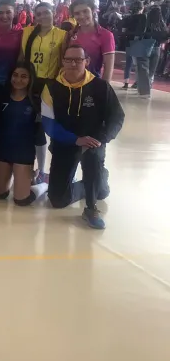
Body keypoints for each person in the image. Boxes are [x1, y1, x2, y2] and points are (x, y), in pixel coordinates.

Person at [41, 45, 124, 229]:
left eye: (78, 60)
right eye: (69, 59)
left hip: (93, 143)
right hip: (65, 143)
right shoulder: (51, 87)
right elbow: (48, 122)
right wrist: (74, 139)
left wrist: (101, 139)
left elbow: (117, 117)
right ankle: (91, 184)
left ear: (87, 61)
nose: (73, 64)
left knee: (99, 188)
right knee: (57, 200)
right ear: (62, 61)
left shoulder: (101, 86)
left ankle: (91, 207)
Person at [21, 2, 66, 184]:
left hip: (48, 86)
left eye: (46, 12)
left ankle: (41, 170)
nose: (42, 17)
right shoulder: (27, 32)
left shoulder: (62, 35)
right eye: (38, 14)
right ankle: (25, 165)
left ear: (54, 13)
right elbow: (21, 57)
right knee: (26, 127)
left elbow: (62, 63)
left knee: (40, 128)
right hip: (28, 83)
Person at [0, 63, 48, 205]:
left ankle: (43, 185)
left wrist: (41, 168)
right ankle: (12, 177)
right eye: (15, 75)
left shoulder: (35, 102)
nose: (18, 80)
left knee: (21, 200)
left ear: (30, 79)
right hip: (2, 151)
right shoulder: (1, 97)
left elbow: (40, 137)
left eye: (23, 76)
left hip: (24, 154)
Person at [64, 0, 115, 81]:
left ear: (93, 11)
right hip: (70, 82)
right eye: (77, 13)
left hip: (92, 83)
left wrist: (105, 87)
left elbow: (108, 67)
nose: (82, 16)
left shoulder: (106, 35)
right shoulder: (71, 34)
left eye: (85, 11)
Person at [133, 6, 169, 98]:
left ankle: (144, 92)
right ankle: (148, 88)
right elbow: (166, 39)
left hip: (144, 47)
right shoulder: (162, 24)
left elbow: (138, 34)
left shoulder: (145, 20)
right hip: (157, 48)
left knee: (143, 70)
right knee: (151, 72)